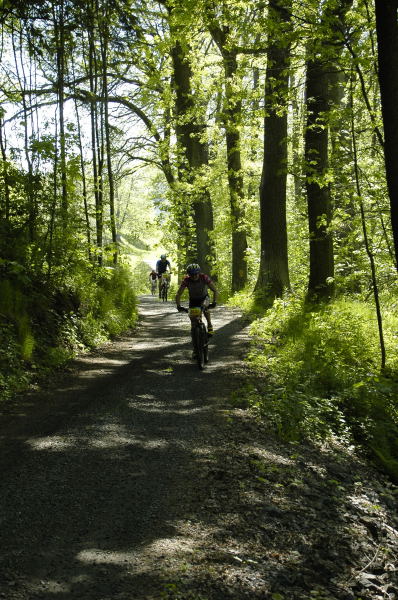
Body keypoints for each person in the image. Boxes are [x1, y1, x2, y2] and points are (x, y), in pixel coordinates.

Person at [175, 263, 218, 336]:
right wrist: (178, 306)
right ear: (189, 274)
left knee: (205, 309)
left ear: (199, 273)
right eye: (192, 275)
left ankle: (209, 325)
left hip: (204, 298)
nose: (194, 276)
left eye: (196, 274)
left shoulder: (204, 277)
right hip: (193, 300)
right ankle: (194, 333)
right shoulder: (186, 280)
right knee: (193, 318)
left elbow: (215, 290)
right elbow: (178, 294)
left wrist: (214, 302)